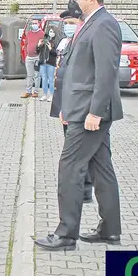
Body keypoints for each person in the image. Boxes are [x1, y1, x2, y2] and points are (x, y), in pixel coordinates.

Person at [35, 0, 123, 251]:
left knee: (70, 168)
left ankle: (66, 234)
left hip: (90, 113)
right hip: (81, 109)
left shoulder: (104, 24)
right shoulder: (90, 24)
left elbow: (105, 72)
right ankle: (110, 230)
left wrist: (95, 112)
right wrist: (65, 106)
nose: (73, 3)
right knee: (101, 168)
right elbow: (75, 70)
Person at [50, 14, 93, 204]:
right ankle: (80, 188)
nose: (67, 26)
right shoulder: (67, 43)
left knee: (80, 152)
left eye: (71, 23)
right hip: (66, 102)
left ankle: (83, 189)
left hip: (77, 106)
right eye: (65, 23)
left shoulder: (81, 43)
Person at [20, 19, 45, 99]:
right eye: (33, 23)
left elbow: (43, 46)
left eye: (35, 23)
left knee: (37, 75)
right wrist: (26, 53)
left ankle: (36, 92)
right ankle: (28, 91)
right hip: (29, 57)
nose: (34, 24)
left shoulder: (42, 34)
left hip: (37, 57)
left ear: (39, 24)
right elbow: (26, 43)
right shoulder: (29, 33)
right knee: (29, 75)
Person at [37, 27, 57, 101]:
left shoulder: (55, 41)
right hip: (43, 62)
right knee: (44, 79)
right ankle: (45, 94)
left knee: (51, 79)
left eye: (52, 31)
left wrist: (50, 48)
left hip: (51, 63)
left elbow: (56, 53)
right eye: (49, 31)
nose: (50, 33)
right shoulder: (45, 41)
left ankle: (51, 95)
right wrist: (39, 45)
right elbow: (37, 51)